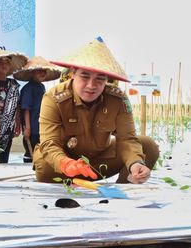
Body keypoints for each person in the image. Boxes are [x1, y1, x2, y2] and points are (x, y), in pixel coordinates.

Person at [34, 37, 159, 184]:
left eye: (100, 78)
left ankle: (124, 189)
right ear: (73, 73)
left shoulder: (118, 99)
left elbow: (127, 139)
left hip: (100, 162)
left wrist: (135, 164)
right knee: (44, 163)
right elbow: (50, 143)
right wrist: (66, 163)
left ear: (107, 79)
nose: (91, 85)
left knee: (148, 146)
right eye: (85, 76)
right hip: (66, 165)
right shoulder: (53, 98)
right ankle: (72, 176)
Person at [12, 56, 61, 163]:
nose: (42, 73)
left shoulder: (41, 87)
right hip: (32, 128)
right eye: (39, 71)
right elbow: (26, 109)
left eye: (44, 71)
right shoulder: (28, 89)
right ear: (31, 73)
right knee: (31, 152)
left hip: (40, 127)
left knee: (40, 152)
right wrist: (27, 128)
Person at [0, 49, 28, 163]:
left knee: (3, 158)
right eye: (0, 62)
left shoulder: (14, 85)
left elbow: (17, 106)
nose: (4, 65)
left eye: (7, 62)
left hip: (8, 128)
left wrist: (18, 125)